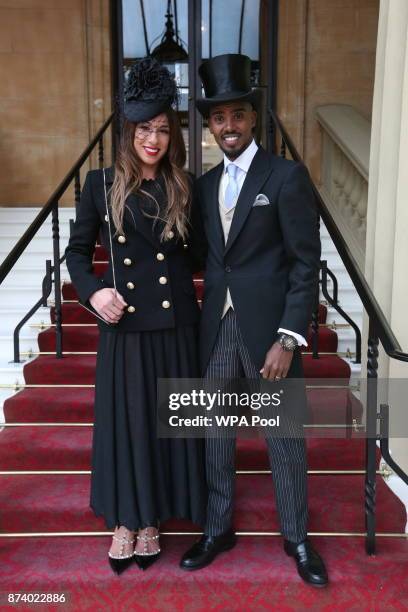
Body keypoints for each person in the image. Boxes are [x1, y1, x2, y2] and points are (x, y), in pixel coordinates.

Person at [180, 54, 328, 587]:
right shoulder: (202, 186)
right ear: (211, 124)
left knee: (283, 439)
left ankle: (298, 538)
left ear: (252, 117)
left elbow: (304, 263)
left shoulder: (286, 176)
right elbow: (201, 256)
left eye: (236, 115)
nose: (228, 127)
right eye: (218, 119)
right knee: (214, 437)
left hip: (270, 335)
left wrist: (289, 336)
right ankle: (218, 529)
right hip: (215, 330)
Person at [65, 57, 206, 574]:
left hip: (176, 328)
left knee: (166, 426)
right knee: (129, 426)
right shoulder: (100, 185)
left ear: (174, 135)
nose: (154, 139)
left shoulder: (185, 186)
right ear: (129, 131)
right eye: (145, 128)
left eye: (163, 129)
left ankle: (154, 522)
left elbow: (206, 256)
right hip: (125, 326)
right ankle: (127, 520)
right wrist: (95, 293)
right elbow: (77, 255)